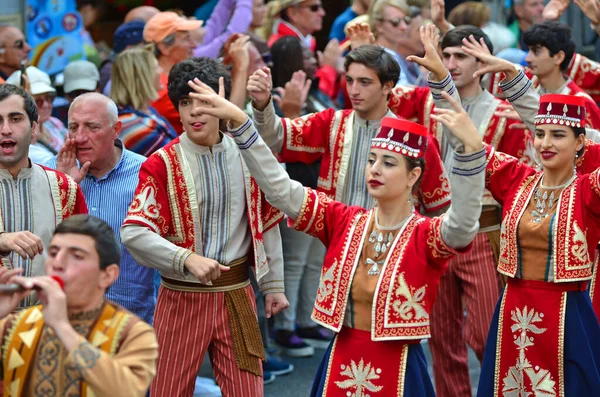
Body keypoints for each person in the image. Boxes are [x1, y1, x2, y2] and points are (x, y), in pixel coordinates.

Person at [186, 60, 486, 395]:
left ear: (414, 176)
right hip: (341, 358)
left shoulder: (424, 234)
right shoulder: (344, 220)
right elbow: (280, 188)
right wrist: (244, 120)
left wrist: (473, 153)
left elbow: (461, 227)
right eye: (371, 160)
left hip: (399, 370)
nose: (374, 169)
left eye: (388, 163)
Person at [121, 57, 288, 397]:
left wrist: (274, 285)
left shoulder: (247, 156)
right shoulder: (162, 163)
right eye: (185, 103)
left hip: (237, 295)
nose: (195, 112)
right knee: (167, 391)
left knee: (248, 392)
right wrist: (185, 259)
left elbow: (265, 220)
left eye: (204, 101)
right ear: (177, 110)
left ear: (222, 104)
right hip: (180, 298)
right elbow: (134, 232)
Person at [447, 35, 600, 396]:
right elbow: (470, 141)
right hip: (513, 310)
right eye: (540, 134)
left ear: (581, 143)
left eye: (558, 135)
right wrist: (442, 76)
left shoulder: (589, 191)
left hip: (566, 315)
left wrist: (516, 78)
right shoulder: (518, 179)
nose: (544, 142)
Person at [390, 24, 535, 397]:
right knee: (441, 340)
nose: (451, 63)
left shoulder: (505, 114)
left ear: (484, 62)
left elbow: (518, 183)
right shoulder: (424, 103)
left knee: (487, 332)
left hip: (485, 234)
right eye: (447, 55)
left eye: (462, 56)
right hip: (433, 231)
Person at [247, 44, 451, 218]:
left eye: (364, 82)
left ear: (387, 86)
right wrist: (262, 103)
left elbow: (440, 208)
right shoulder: (331, 122)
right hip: (339, 246)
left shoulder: (417, 139)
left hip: (396, 251)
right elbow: (275, 136)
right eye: (350, 80)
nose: (353, 90)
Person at [0, 214, 158, 396]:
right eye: (53, 253)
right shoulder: (13, 325)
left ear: (107, 275)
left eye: (76, 256)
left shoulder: (133, 333)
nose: (57, 263)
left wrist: (62, 327)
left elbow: (127, 390)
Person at [44, 92, 154, 326]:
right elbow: (43, 244)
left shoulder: (146, 174)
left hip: (130, 319)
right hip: (66, 319)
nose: (80, 137)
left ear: (116, 130)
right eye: (73, 127)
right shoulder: (51, 172)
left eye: (92, 127)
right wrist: (66, 187)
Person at [0, 84, 87, 309]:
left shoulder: (64, 187)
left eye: (16, 118)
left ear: (34, 128)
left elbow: (85, 257)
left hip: (48, 326)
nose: (6, 129)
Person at [143, 11, 203, 134]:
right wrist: (241, 69)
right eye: (186, 39)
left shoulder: (171, 80)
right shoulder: (163, 89)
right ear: (165, 47)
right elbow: (221, 122)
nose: (194, 45)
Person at [110, 47, 177, 157]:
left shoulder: (142, 111)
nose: (161, 71)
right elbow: (175, 162)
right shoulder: (139, 128)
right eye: (156, 67)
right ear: (143, 76)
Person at [7, 66, 68, 154]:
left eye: (49, 98)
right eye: (38, 101)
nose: (46, 105)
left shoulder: (54, 122)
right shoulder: (11, 135)